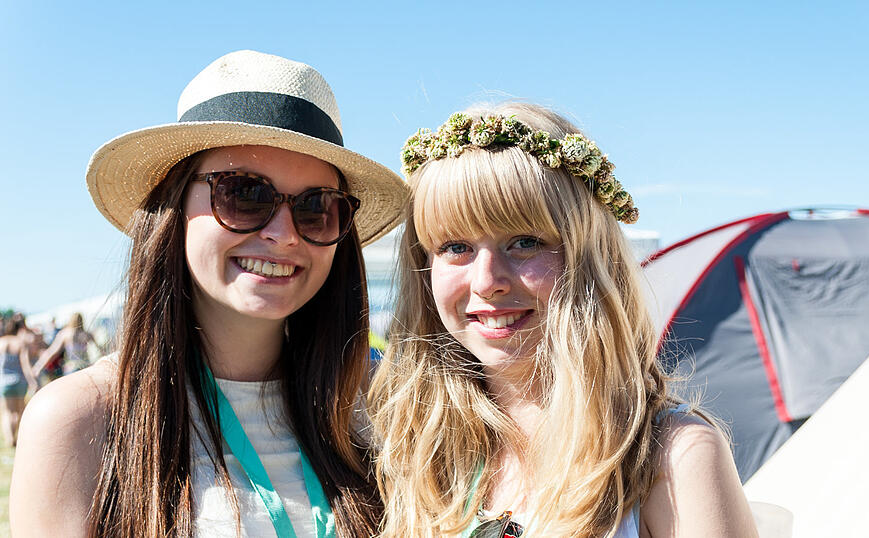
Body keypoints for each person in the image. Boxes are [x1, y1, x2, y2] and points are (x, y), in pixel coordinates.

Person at [11, 50, 407, 537]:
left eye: (315, 207)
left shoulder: (379, 404)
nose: (284, 234)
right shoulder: (81, 418)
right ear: (173, 207)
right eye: (245, 193)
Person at [368, 103, 758, 537]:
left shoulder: (676, 457)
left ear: (589, 256)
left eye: (524, 242)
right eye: (456, 246)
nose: (486, 281)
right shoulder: (419, 454)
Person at [0, 313, 39, 447]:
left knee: (7, 412)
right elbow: (25, 364)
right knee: (19, 412)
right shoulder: (21, 343)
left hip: (4, 382)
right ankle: (16, 439)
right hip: (19, 381)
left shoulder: (2, 341)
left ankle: (9, 439)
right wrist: (32, 381)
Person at [33, 312, 104, 380]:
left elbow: (52, 352)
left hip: (72, 367)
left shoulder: (65, 334)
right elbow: (100, 350)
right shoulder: (86, 334)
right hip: (85, 368)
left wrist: (38, 366)